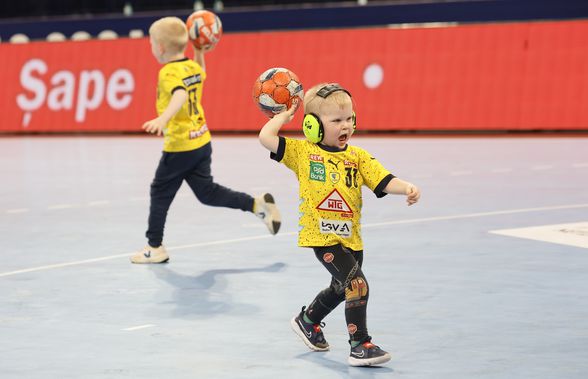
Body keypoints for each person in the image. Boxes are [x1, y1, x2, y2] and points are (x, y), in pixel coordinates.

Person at [258, 83, 421, 366]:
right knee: (357, 284)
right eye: (336, 120)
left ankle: (308, 320)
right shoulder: (302, 153)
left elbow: (383, 179)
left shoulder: (357, 157)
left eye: (349, 118)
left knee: (339, 287)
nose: (345, 125)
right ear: (313, 126)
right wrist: (284, 115)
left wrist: (406, 187)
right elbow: (266, 137)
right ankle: (360, 345)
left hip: (351, 239)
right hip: (321, 238)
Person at [131, 17, 280, 264]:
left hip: (180, 147)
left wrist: (163, 119)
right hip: (201, 143)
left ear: (159, 47)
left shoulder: (168, 72)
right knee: (207, 193)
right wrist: (199, 53)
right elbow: (201, 75)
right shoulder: (190, 66)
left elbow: (179, 94)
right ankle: (257, 205)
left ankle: (154, 246)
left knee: (159, 192)